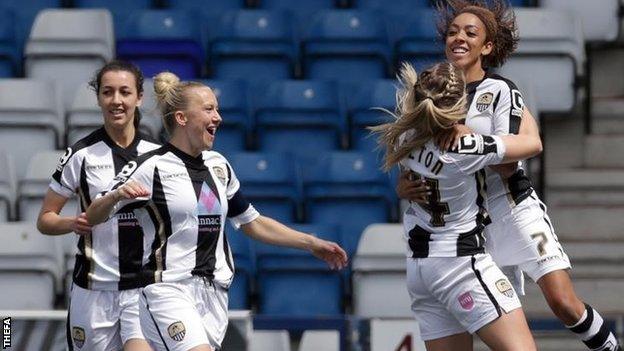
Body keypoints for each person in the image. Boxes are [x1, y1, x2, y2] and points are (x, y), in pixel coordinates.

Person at [395, 1, 622, 350]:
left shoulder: (499, 91)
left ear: (487, 47)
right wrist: (405, 184)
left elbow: (510, 161)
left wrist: (466, 140)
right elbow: (413, 160)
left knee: (562, 303)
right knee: (498, 321)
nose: (459, 38)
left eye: (470, 33)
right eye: (453, 32)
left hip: (511, 207)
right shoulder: (432, 91)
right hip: (474, 223)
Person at [86, 72, 349, 351]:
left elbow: (252, 223)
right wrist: (115, 195)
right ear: (181, 118)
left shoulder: (218, 166)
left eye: (218, 109)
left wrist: (310, 242)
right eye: (209, 109)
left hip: (214, 296)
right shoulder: (150, 166)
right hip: (168, 290)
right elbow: (93, 216)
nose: (218, 117)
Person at [371, 61, 541, 351]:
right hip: (461, 263)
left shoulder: (404, 136)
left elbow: (409, 178)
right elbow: (532, 144)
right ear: (459, 105)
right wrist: (515, 98)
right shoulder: (465, 147)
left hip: (421, 267)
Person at [37, 61, 158, 351]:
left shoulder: (157, 155)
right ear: (99, 98)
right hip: (93, 290)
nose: (116, 100)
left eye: (125, 92)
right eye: (108, 92)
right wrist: (72, 223)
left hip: (142, 288)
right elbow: (45, 219)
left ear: (139, 97)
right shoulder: (80, 154)